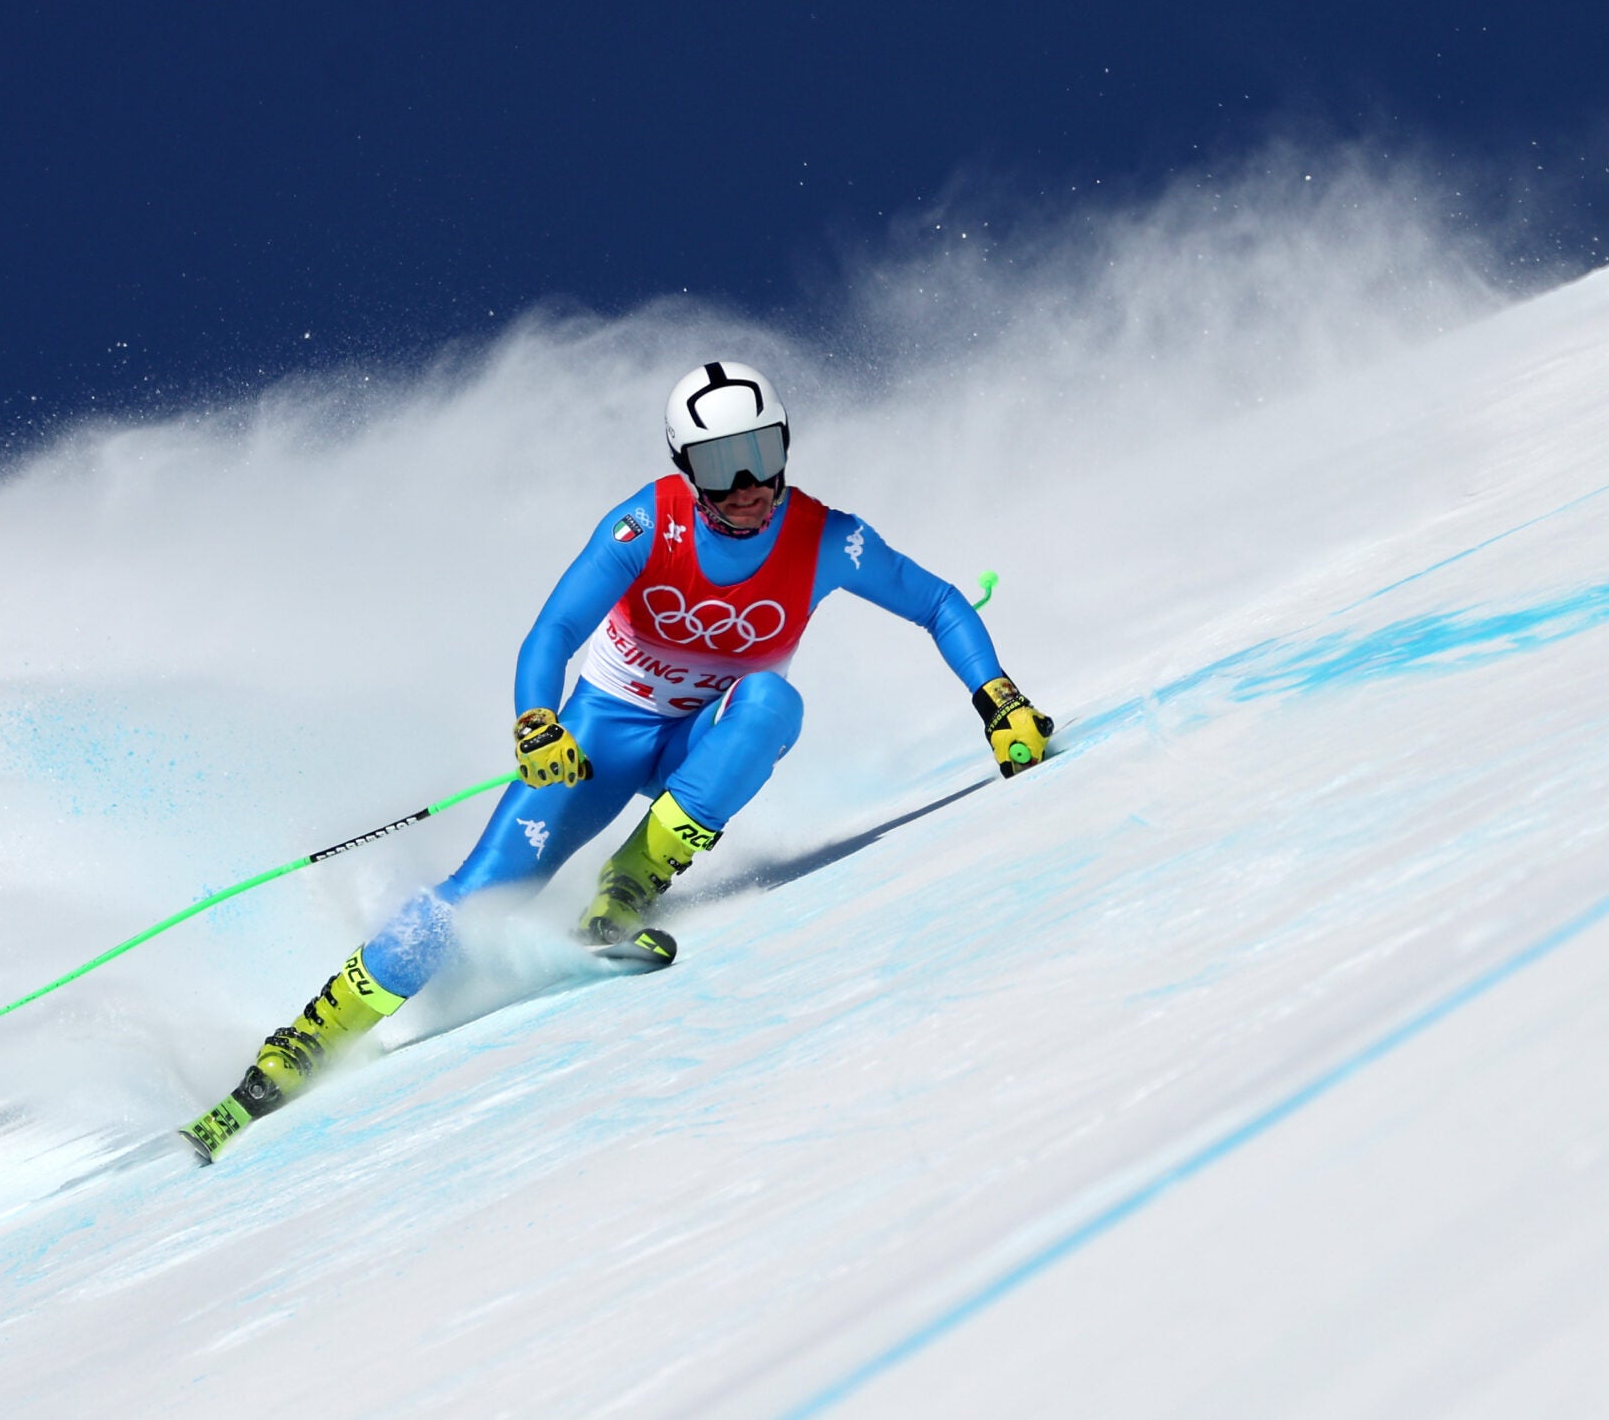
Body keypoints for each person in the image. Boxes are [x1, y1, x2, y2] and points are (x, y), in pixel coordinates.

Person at [181, 360, 1052, 1162]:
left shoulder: (828, 539)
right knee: (478, 892)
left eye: (760, 454)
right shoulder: (648, 523)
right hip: (594, 741)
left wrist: (1000, 702)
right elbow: (554, 629)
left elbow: (939, 603)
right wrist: (534, 720)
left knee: (772, 704)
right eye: (722, 465)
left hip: (696, 734)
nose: (748, 486)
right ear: (685, 469)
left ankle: (624, 891)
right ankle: (300, 1046)